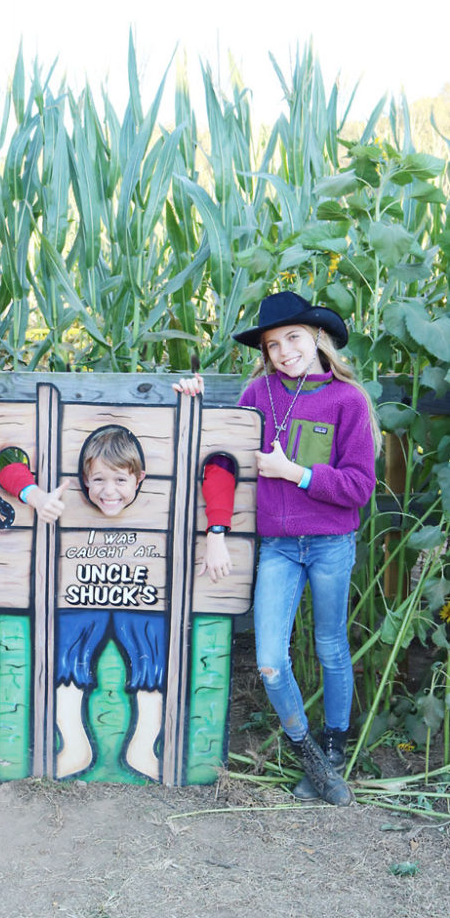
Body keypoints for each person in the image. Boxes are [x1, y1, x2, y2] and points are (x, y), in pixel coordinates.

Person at [175, 291, 380, 806]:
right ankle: (304, 746)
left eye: (293, 338)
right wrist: (196, 405)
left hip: (331, 542)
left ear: (316, 338)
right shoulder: (257, 395)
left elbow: (359, 487)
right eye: (273, 344)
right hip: (281, 548)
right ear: (264, 353)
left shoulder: (347, 401)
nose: (285, 351)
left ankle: (334, 744)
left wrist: (295, 472)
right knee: (269, 658)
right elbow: (222, 458)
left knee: (331, 646)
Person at [0, 425, 165, 780]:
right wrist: (35, 496)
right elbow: (5, 464)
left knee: (151, 645)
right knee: (68, 648)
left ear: (141, 479)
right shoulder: (72, 497)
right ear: (83, 480)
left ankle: (143, 748)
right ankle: (73, 745)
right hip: (78, 590)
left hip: (141, 591)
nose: (109, 491)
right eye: (98, 479)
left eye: (121, 480)